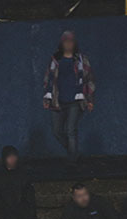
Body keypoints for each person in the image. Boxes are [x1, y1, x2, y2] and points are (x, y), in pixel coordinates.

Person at [43, 30, 95, 163]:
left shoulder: (81, 60)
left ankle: (73, 162)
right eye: (66, 41)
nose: (68, 44)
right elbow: (49, 79)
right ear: (62, 43)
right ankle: (74, 152)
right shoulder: (55, 60)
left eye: (71, 41)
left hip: (75, 102)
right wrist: (47, 98)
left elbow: (89, 79)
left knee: (70, 130)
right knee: (57, 131)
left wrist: (89, 99)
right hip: (58, 101)